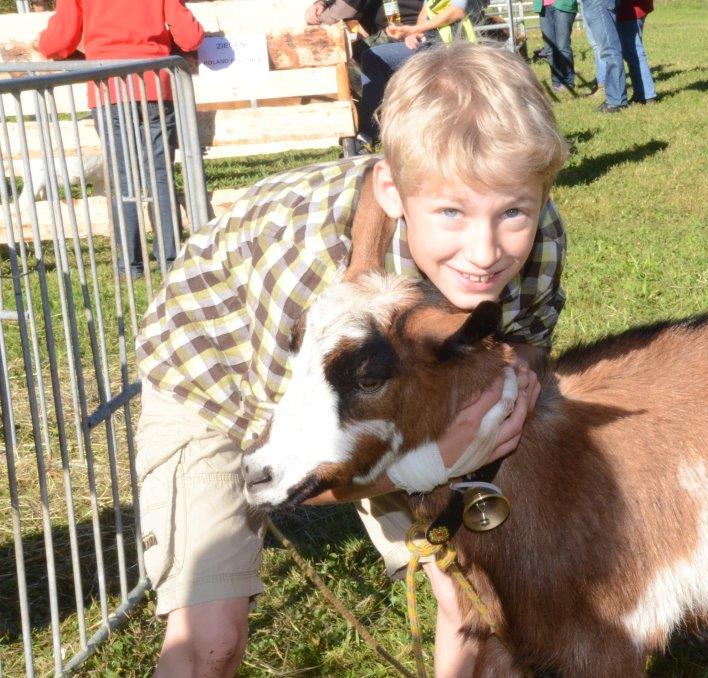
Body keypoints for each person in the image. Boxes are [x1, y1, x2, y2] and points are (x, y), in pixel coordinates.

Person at [133, 42, 567, 677]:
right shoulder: (308, 282)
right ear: (392, 190)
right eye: (450, 211)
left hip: (390, 385)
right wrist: (432, 463)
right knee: (210, 641)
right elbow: (280, 469)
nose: (485, 251)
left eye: (513, 213)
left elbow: (518, 344)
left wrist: (508, 389)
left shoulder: (538, 240)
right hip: (222, 376)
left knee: (475, 600)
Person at [36, 0, 204, 278]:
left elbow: (56, 44)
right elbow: (191, 37)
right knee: (159, 174)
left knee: (122, 177)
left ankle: (129, 266)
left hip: (108, 87)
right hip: (153, 84)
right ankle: (171, 261)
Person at [355, 0, 481, 145]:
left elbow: (456, 12)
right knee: (371, 57)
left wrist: (413, 29)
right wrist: (414, 33)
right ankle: (369, 131)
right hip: (429, 43)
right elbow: (425, 10)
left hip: (455, 46)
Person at [580, 0, 627, 112]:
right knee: (608, 50)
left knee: (610, 50)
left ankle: (616, 101)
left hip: (597, 3)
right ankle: (615, 99)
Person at [616, 0, 656, 104]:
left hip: (630, 9)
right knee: (632, 51)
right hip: (634, 9)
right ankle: (642, 93)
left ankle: (646, 95)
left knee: (634, 51)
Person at [534, 0, 577, 92]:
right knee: (549, 48)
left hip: (563, 4)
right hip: (544, 6)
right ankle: (556, 82)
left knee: (562, 46)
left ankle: (568, 82)